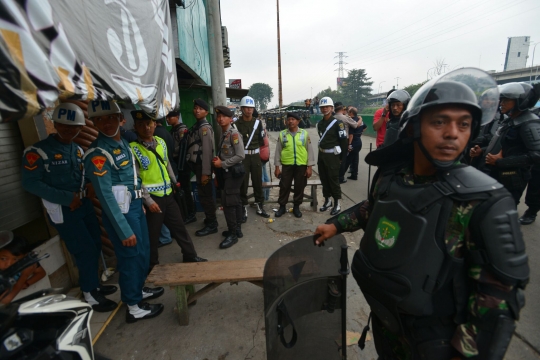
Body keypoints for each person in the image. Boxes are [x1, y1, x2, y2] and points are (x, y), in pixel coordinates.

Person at [314, 68, 529, 359]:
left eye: (464, 124)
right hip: (388, 318)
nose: (453, 133)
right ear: (414, 127)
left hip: (436, 338)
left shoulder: (485, 199)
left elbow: (499, 299)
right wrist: (336, 226)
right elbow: (373, 209)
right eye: (440, 122)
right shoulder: (393, 176)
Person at [21, 102, 117, 312]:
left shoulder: (77, 149)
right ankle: (90, 294)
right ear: (55, 123)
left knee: (95, 244)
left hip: (84, 205)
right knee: (85, 250)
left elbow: (83, 174)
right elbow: (31, 183)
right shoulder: (38, 152)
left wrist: (90, 183)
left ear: (81, 128)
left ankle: (95, 285)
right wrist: (66, 198)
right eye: (64, 125)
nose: (69, 130)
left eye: (74, 127)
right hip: (64, 210)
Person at [83, 100, 164, 323]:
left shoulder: (123, 144)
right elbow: (105, 195)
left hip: (135, 207)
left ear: (121, 119)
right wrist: (123, 229)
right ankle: (133, 306)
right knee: (130, 258)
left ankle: (138, 290)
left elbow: (135, 179)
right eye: (98, 119)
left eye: (110, 117)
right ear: (93, 122)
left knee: (142, 253)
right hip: (122, 213)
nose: (105, 123)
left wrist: (145, 202)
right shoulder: (98, 153)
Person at [129, 110, 207, 272]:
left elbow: (166, 164)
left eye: (149, 123)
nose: (146, 127)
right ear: (135, 127)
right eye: (141, 125)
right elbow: (135, 178)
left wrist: (174, 182)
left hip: (168, 195)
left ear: (154, 124)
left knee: (179, 227)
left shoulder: (160, 142)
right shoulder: (133, 149)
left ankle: (190, 255)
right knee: (152, 235)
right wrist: (148, 201)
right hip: (153, 200)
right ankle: (152, 267)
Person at [470, 82, 540, 207]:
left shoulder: (529, 123)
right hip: (497, 174)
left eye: (506, 100)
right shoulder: (511, 120)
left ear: (520, 101)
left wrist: (501, 162)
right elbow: (506, 145)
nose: (501, 103)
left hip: (512, 179)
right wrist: (482, 151)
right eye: (501, 99)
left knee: (502, 212)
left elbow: (537, 156)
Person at [212, 106, 246, 249]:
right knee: (235, 200)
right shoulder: (223, 133)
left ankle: (233, 234)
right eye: (218, 116)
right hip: (227, 171)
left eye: (224, 116)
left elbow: (240, 155)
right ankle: (237, 229)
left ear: (230, 119)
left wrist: (223, 163)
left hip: (233, 172)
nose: (220, 119)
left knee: (228, 202)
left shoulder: (234, 134)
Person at [274, 112, 315, 218]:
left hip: (301, 165)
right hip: (287, 165)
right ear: (286, 121)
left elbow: (309, 151)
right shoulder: (282, 134)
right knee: (284, 186)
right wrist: (277, 167)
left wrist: (309, 167)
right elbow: (278, 151)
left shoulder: (304, 134)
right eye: (289, 119)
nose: (291, 121)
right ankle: (282, 206)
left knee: (299, 186)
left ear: (298, 121)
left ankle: (296, 207)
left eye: (293, 119)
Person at [186, 98, 218, 236]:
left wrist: (206, 172)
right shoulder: (197, 126)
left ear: (206, 112)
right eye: (195, 108)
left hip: (203, 168)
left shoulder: (204, 128)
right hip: (197, 167)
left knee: (206, 196)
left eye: (200, 108)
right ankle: (209, 218)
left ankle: (212, 224)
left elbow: (207, 151)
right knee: (203, 194)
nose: (197, 110)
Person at [236, 96, 270, 219]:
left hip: (255, 156)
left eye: (251, 107)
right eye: (246, 107)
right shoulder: (236, 124)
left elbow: (262, 140)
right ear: (242, 108)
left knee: (257, 182)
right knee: (243, 184)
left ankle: (260, 206)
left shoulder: (258, 123)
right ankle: (243, 207)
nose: (249, 110)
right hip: (243, 157)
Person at [316, 96, 348, 215]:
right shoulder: (320, 124)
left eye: (327, 107)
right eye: (322, 107)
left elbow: (344, 142)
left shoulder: (338, 123)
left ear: (332, 108)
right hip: (322, 155)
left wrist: (342, 158)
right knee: (324, 179)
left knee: (333, 180)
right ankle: (327, 200)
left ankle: (337, 203)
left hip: (333, 156)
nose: (324, 109)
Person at [166, 110, 197, 224]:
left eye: (170, 117)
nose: (168, 119)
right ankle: (186, 211)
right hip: (177, 162)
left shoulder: (181, 129)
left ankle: (191, 213)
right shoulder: (173, 129)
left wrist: (172, 151)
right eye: (167, 117)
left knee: (185, 189)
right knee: (181, 189)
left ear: (177, 117)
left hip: (182, 162)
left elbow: (183, 146)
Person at [0, 233, 46, 304]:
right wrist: (24, 276)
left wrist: (26, 283)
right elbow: (6, 299)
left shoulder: (24, 262)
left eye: (16, 259)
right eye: (3, 258)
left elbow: (41, 273)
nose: (8, 264)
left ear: (24, 256)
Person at [334, 102, 361, 184]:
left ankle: (334, 176)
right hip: (344, 140)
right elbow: (356, 125)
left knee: (335, 158)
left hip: (334, 141)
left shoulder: (332, 117)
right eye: (345, 110)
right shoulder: (345, 118)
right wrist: (360, 119)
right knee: (343, 159)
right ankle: (340, 178)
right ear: (342, 110)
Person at [341, 107, 367, 181]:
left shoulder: (352, 121)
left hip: (353, 141)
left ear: (351, 113)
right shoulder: (359, 120)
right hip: (359, 140)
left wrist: (349, 144)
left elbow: (351, 134)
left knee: (347, 160)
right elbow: (365, 127)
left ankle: (341, 176)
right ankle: (354, 175)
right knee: (355, 160)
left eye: (348, 112)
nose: (347, 113)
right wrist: (359, 132)